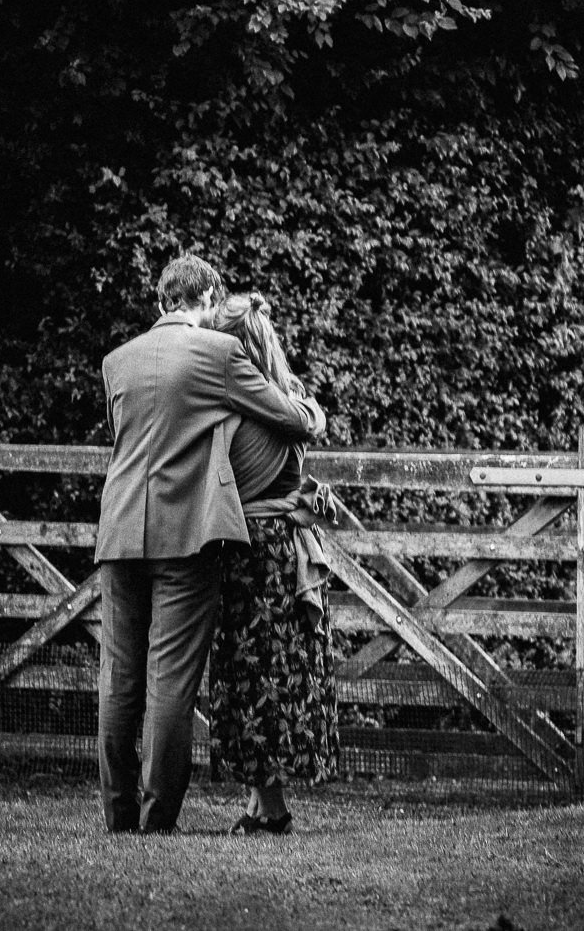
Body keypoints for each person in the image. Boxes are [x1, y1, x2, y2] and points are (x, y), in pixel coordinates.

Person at [96, 253, 326, 835]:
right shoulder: (220, 355)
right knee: (170, 678)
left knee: (120, 677)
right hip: (184, 538)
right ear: (210, 296)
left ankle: (118, 813)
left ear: (159, 302)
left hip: (119, 530)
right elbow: (290, 418)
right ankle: (156, 818)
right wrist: (311, 411)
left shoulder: (116, 362)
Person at [201, 292, 342, 835]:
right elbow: (309, 422)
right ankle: (261, 805)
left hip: (255, 549)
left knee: (256, 672)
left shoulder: (247, 408)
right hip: (285, 545)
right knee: (272, 671)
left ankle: (272, 808)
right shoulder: (291, 398)